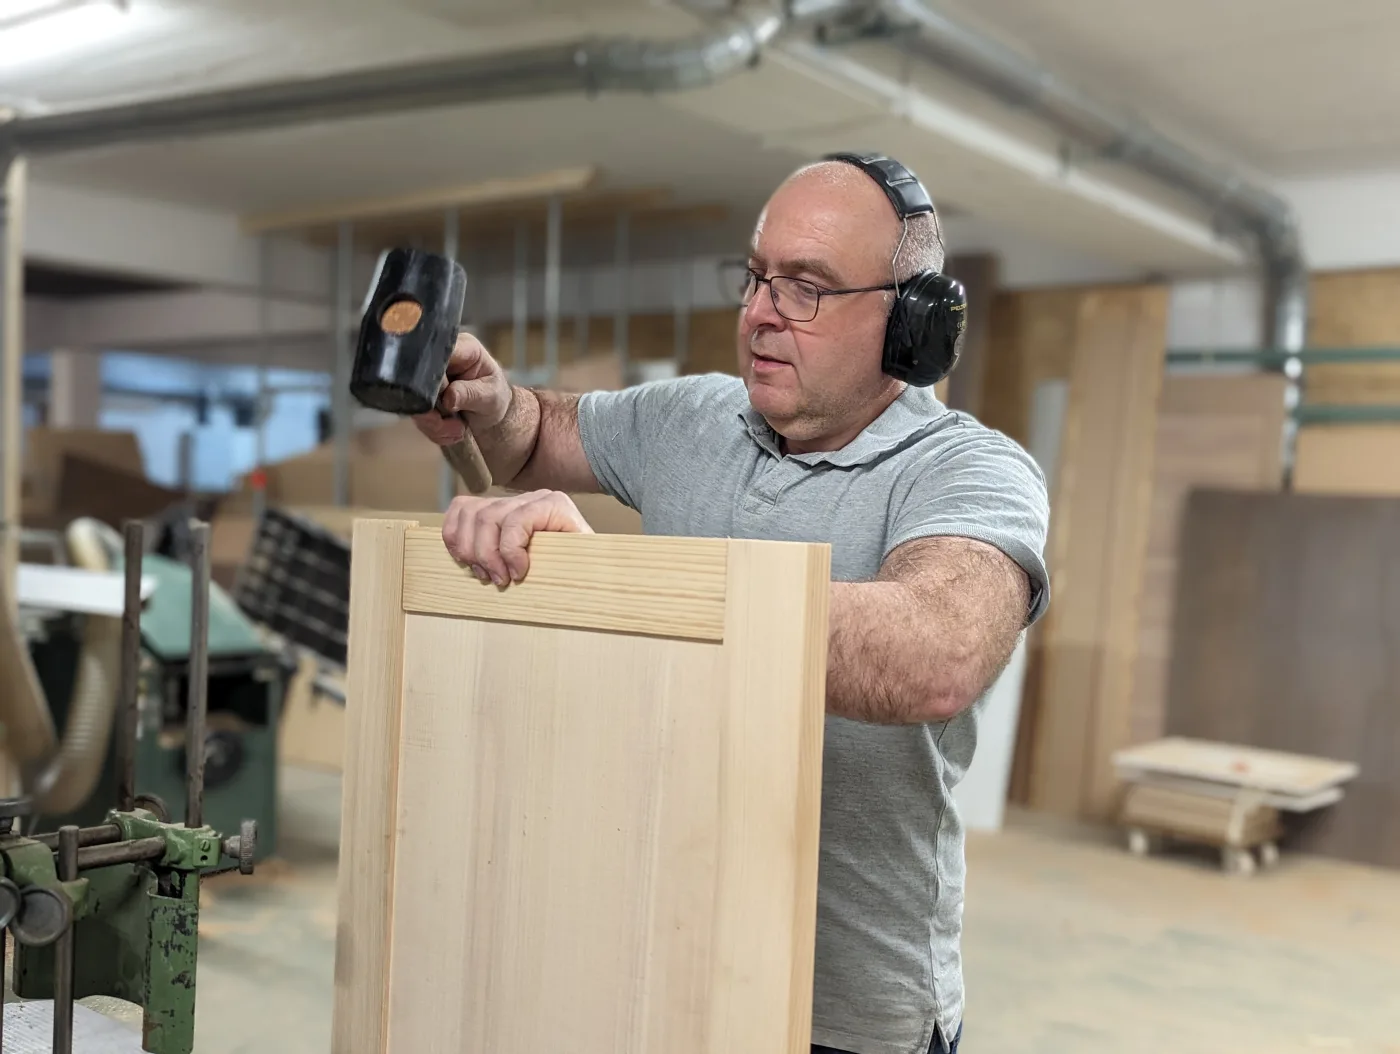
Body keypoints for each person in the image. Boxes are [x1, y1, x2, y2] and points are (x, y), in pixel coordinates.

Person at [413, 152, 1051, 1054]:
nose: (759, 313)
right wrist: (488, 402)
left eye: (806, 288)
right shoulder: (698, 419)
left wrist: (621, 587)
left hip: (843, 1014)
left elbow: (937, 656)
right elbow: (539, 438)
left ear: (911, 322)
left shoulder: (967, 470)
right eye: (757, 277)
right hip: (660, 955)